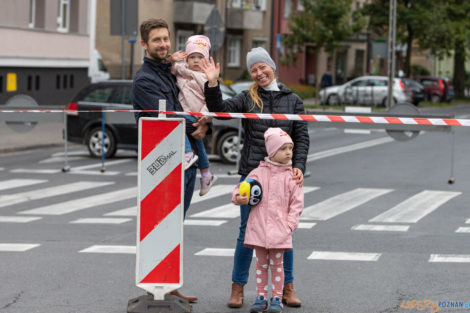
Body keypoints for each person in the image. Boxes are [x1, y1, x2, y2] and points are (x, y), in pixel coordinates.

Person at [201, 47, 309, 308]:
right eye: (254, 69)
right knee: (246, 233)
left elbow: (302, 136)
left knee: (284, 234)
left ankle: (287, 288)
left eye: (263, 67)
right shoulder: (247, 98)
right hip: (254, 175)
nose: (259, 73)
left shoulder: (293, 100)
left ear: (272, 66)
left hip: (284, 177)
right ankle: (238, 288)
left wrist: (299, 166)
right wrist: (213, 83)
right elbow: (219, 110)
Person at [132, 17, 209, 304]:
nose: (163, 44)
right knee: (162, 227)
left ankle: (168, 284)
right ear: (144, 44)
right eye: (156, 40)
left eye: (165, 38)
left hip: (184, 163)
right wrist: (200, 126)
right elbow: (165, 121)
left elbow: (190, 102)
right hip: (163, 167)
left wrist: (205, 123)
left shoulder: (170, 71)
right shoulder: (145, 81)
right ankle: (159, 287)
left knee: (174, 228)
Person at [232, 128, 303, 313]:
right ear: (271, 151)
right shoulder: (258, 173)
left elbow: (297, 204)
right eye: (283, 149)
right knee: (261, 265)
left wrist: (290, 226)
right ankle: (260, 297)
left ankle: (277, 298)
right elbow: (241, 188)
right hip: (260, 230)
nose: (289, 152)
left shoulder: (291, 176)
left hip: (281, 231)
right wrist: (238, 197)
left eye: (290, 148)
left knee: (278, 266)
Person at [169, 35, 217, 196]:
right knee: (199, 145)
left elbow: (210, 100)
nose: (196, 61)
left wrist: (204, 116)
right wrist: (172, 59)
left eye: (200, 57)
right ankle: (206, 174)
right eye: (192, 57)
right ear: (187, 59)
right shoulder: (182, 70)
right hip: (184, 111)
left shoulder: (206, 77)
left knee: (177, 123)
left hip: (197, 116)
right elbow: (171, 68)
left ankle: (187, 154)